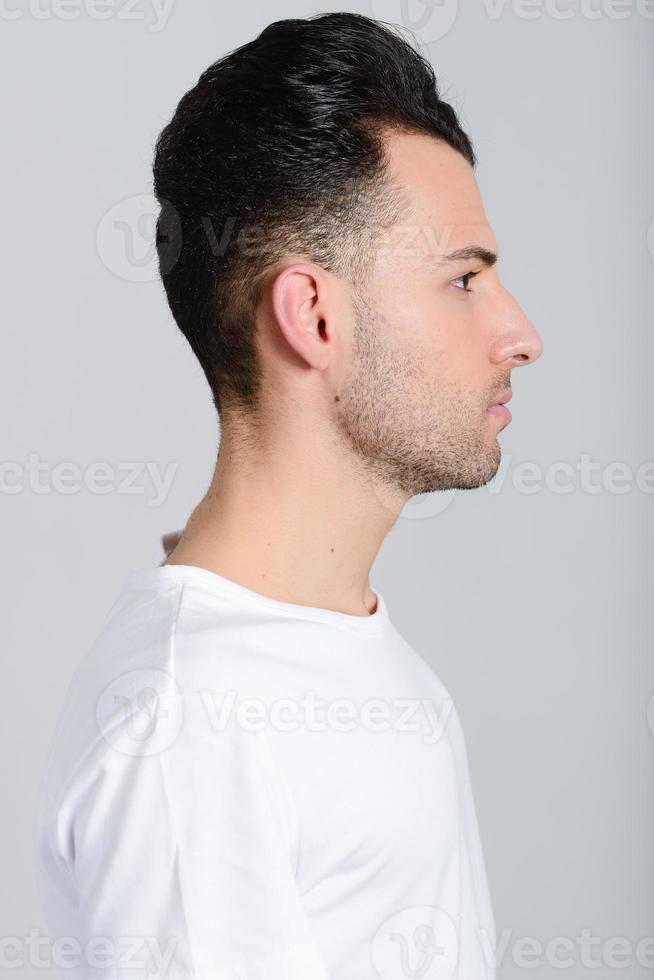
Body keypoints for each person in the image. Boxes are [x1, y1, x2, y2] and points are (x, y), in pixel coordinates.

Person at [34, 11, 543, 980]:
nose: (521, 334)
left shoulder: (331, 649)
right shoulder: (194, 724)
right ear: (311, 313)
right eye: (465, 280)